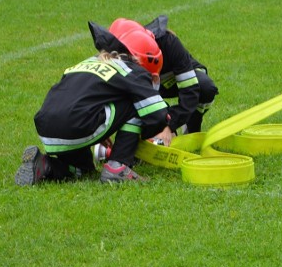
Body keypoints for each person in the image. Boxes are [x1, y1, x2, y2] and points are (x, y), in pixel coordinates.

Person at [14, 19, 172, 186]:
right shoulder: (131, 70)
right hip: (78, 124)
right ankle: (117, 166)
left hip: (47, 128)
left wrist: (101, 126)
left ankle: (45, 165)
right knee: (138, 105)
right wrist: (142, 137)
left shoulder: (89, 62)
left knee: (83, 171)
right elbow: (158, 113)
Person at [108, 15, 219, 163]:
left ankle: (192, 127)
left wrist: (169, 125)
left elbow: (190, 90)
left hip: (173, 80)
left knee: (205, 88)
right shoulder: (118, 55)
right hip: (148, 87)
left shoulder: (169, 43)